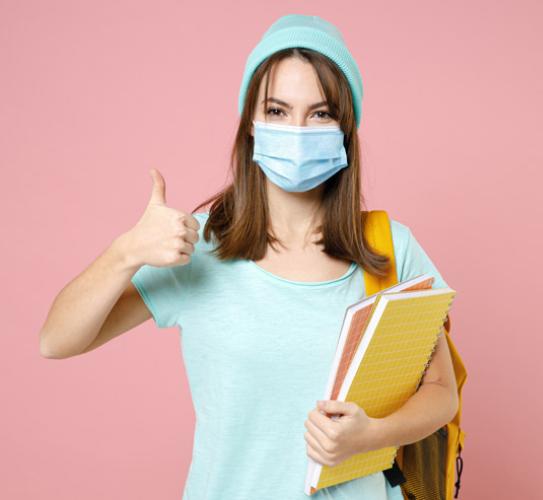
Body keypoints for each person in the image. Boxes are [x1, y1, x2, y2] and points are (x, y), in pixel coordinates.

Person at [39, 14, 458, 500]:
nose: (297, 130)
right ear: (251, 125)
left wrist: (373, 435)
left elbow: (441, 392)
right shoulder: (196, 245)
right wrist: (125, 252)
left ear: (346, 128)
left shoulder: (389, 249)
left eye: (320, 114)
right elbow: (57, 340)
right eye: (277, 111)